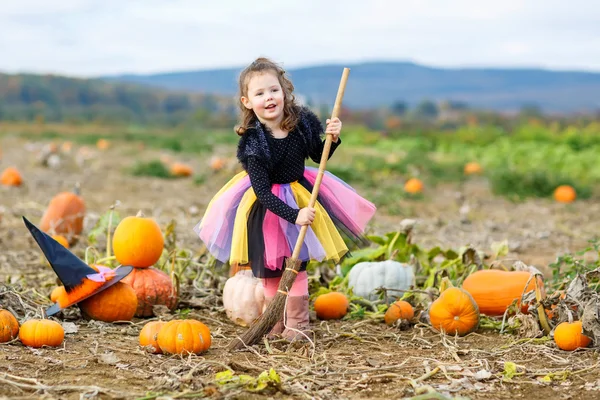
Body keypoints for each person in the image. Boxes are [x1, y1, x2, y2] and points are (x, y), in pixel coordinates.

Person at [194, 57, 376, 341]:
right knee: (270, 271)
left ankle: (298, 327)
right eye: (259, 93)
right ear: (247, 101)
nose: (269, 98)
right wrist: (294, 214)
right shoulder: (254, 144)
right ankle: (274, 324)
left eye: (273, 90)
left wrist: (333, 139)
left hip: (301, 191)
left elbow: (319, 156)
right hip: (268, 209)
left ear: (284, 91)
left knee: (297, 265)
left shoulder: (302, 122)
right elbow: (264, 194)